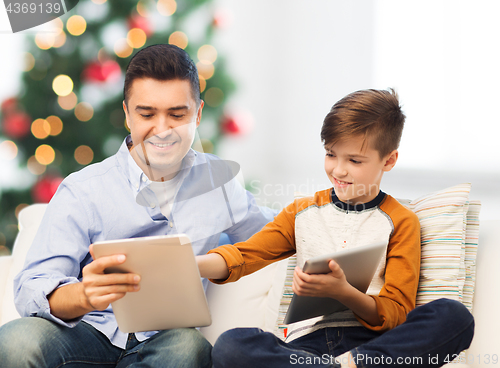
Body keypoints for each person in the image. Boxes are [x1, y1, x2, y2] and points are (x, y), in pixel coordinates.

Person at [0, 44, 275, 368]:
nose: (162, 130)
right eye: (146, 114)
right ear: (128, 113)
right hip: (87, 331)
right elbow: (32, 288)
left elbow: (273, 234)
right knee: (15, 342)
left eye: (178, 114)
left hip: (167, 339)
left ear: (198, 113)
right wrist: (85, 294)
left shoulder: (219, 183)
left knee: (189, 348)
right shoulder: (83, 189)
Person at [197, 89, 475, 368]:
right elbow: (244, 256)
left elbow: (395, 314)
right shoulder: (301, 211)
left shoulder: (401, 222)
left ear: (388, 160)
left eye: (354, 160)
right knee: (231, 346)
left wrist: (343, 291)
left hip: (372, 347)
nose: (338, 170)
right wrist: (190, 265)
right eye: (331, 154)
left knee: (454, 316)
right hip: (306, 350)